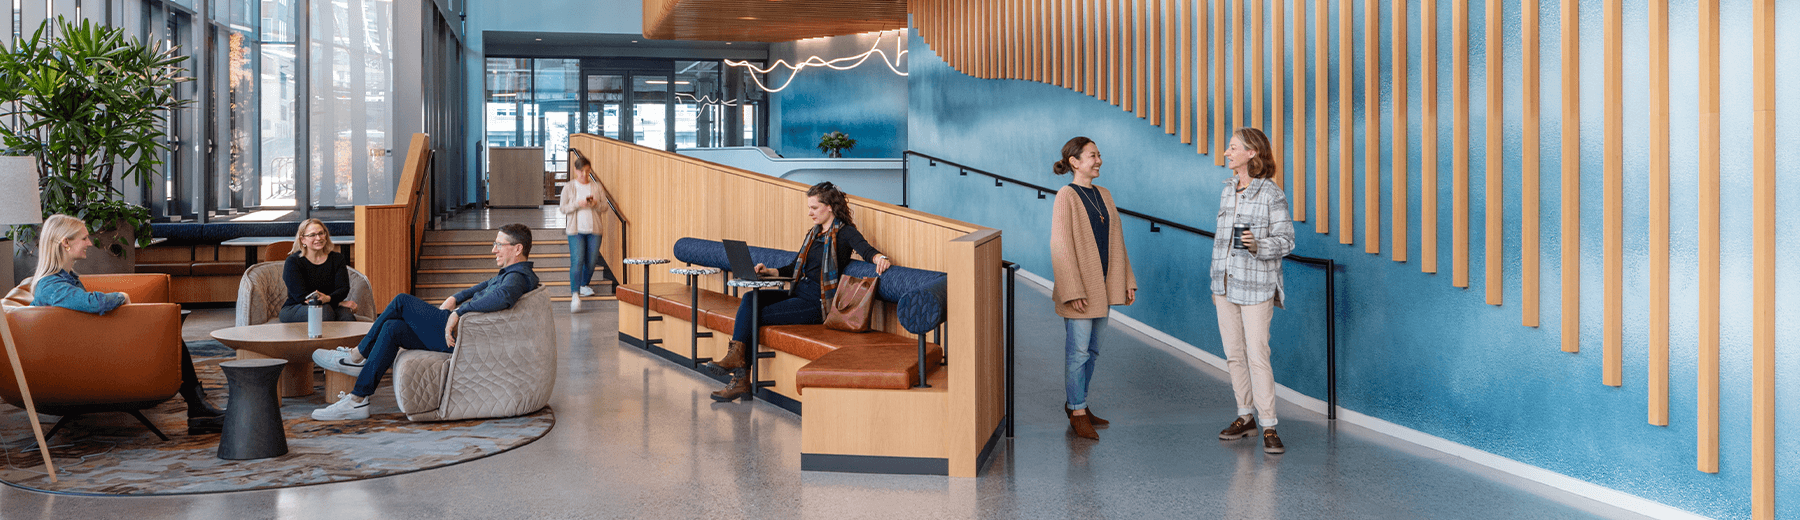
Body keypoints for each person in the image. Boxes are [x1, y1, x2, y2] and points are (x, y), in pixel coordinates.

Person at [309, 223, 540, 421]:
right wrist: (455, 298)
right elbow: (482, 287)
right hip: (460, 330)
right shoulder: (511, 273)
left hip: (460, 334)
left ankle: (356, 356)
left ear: (518, 248)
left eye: (499, 245)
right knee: (392, 328)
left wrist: (459, 312)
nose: (494, 250)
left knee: (401, 301)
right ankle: (357, 399)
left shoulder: (518, 278)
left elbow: (503, 297)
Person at [27, 214, 224, 433]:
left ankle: (198, 406)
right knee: (166, 336)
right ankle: (198, 407)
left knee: (168, 335)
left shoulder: (64, 279)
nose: (90, 243)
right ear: (65, 243)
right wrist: (121, 295)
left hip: (80, 350)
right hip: (73, 360)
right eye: (83, 238)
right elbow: (91, 303)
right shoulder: (52, 286)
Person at [705, 181, 893, 402]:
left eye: (814, 208)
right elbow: (794, 266)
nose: (810, 213)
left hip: (817, 303)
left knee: (753, 316)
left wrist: (880, 258)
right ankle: (737, 364)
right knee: (749, 298)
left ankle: (740, 377)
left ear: (829, 207)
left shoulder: (845, 232)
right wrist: (769, 271)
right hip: (798, 292)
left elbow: (866, 249)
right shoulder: (813, 233)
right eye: (809, 208)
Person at [1210, 128, 1296, 454]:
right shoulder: (1227, 191)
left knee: (1258, 355)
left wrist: (1259, 245)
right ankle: (1245, 417)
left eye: (1232, 148)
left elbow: (1287, 241)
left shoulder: (1271, 194)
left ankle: (1270, 426)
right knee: (1234, 354)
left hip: (1257, 286)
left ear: (1251, 153)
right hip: (1225, 285)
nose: (1226, 153)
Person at [1048, 136, 1136, 441]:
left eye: (1099, 155)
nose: (1098, 160)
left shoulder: (1104, 194)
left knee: (1093, 352)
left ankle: (1078, 404)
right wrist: (1072, 290)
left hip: (1103, 284)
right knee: (1078, 353)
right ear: (1075, 162)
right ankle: (1078, 411)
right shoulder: (1066, 195)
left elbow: (1118, 241)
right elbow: (1059, 245)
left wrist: (1127, 280)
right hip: (1080, 289)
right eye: (1092, 156)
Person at [560, 148, 614, 313]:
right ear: (576, 171)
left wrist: (595, 204)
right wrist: (578, 204)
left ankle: (583, 284)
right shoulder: (569, 187)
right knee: (577, 261)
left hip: (594, 230)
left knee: (591, 262)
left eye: (587, 171)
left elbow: (605, 207)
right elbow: (563, 208)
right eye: (582, 171)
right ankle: (575, 295)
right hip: (575, 231)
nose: (584, 174)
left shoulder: (596, 187)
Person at [279, 218, 358, 323]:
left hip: (328, 304)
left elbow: (343, 289)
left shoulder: (337, 259)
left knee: (347, 317)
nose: (318, 238)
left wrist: (328, 299)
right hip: (297, 307)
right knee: (324, 312)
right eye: (312, 235)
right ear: (303, 240)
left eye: (321, 233)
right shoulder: (293, 261)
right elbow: (301, 296)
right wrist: (337, 303)